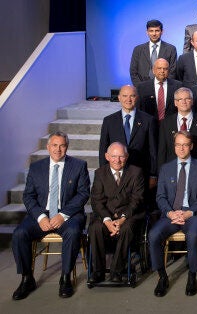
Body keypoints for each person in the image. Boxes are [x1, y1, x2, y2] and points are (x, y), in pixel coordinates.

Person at [12, 132, 90, 299]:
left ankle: (65, 278)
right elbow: (28, 196)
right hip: (42, 214)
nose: (58, 149)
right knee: (19, 233)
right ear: (48, 147)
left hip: (68, 214)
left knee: (73, 232)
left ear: (67, 147)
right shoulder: (36, 167)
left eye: (62, 145)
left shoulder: (78, 166)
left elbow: (83, 194)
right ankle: (27, 278)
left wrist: (63, 215)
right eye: (54, 145)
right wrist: (41, 217)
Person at [149, 131, 197, 297]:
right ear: (174, 147)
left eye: (185, 145)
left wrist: (189, 213)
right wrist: (169, 213)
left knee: (192, 235)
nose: (181, 148)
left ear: (191, 146)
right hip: (171, 214)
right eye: (178, 144)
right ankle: (162, 276)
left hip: (192, 214)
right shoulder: (166, 168)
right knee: (153, 235)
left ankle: (192, 276)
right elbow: (160, 196)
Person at [88, 142, 144, 284]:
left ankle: (116, 271)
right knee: (95, 228)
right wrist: (107, 220)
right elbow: (96, 201)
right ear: (107, 156)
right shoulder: (100, 173)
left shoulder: (135, 172)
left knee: (127, 228)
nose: (117, 160)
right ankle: (98, 272)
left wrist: (122, 219)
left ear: (127, 156)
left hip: (128, 216)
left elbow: (137, 200)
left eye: (121, 156)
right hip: (106, 216)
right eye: (113, 156)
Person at [99, 85, 158, 185]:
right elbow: (103, 149)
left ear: (137, 97)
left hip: (141, 174)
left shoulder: (148, 120)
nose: (128, 99)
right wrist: (104, 173)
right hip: (116, 174)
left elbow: (153, 150)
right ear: (119, 98)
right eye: (125, 96)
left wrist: (153, 174)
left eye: (132, 96)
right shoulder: (109, 121)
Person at [157, 87, 197, 169]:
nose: (184, 102)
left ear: (192, 101)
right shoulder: (166, 123)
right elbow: (162, 151)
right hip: (172, 170)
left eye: (187, 99)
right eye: (180, 99)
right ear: (175, 103)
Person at [130, 19, 177, 87]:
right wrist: (140, 88)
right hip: (142, 88)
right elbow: (133, 72)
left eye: (157, 31)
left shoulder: (171, 49)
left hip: (163, 88)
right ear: (147, 32)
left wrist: (163, 87)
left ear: (162, 31)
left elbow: (172, 72)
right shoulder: (138, 49)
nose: (154, 34)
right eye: (151, 31)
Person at [136, 58, 183, 123]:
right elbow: (138, 110)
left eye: (165, 69)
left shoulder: (178, 86)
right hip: (149, 125)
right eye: (159, 68)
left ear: (168, 71)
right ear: (153, 70)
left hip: (171, 126)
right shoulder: (142, 87)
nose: (162, 71)